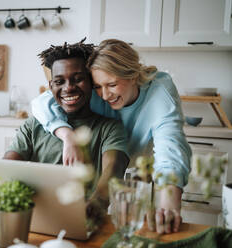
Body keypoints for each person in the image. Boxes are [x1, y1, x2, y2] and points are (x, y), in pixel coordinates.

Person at [31, 39, 192, 234]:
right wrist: (68, 136)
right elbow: (41, 103)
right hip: (107, 171)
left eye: (112, 84)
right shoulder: (95, 92)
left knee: (144, 229)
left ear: (133, 75)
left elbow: (171, 148)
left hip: (142, 175)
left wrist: (169, 203)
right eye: (98, 86)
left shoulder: (160, 91)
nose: (105, 95)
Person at [4, 40, 129, 216]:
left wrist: (95, 204)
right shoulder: (33, 125)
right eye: (59, 81)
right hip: (32, 216)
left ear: (91, 82)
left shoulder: (109, 128)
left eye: (78, 79)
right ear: (51, 86)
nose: (68, 88)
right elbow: (5, 168)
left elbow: (114, 170)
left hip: (85, 218)